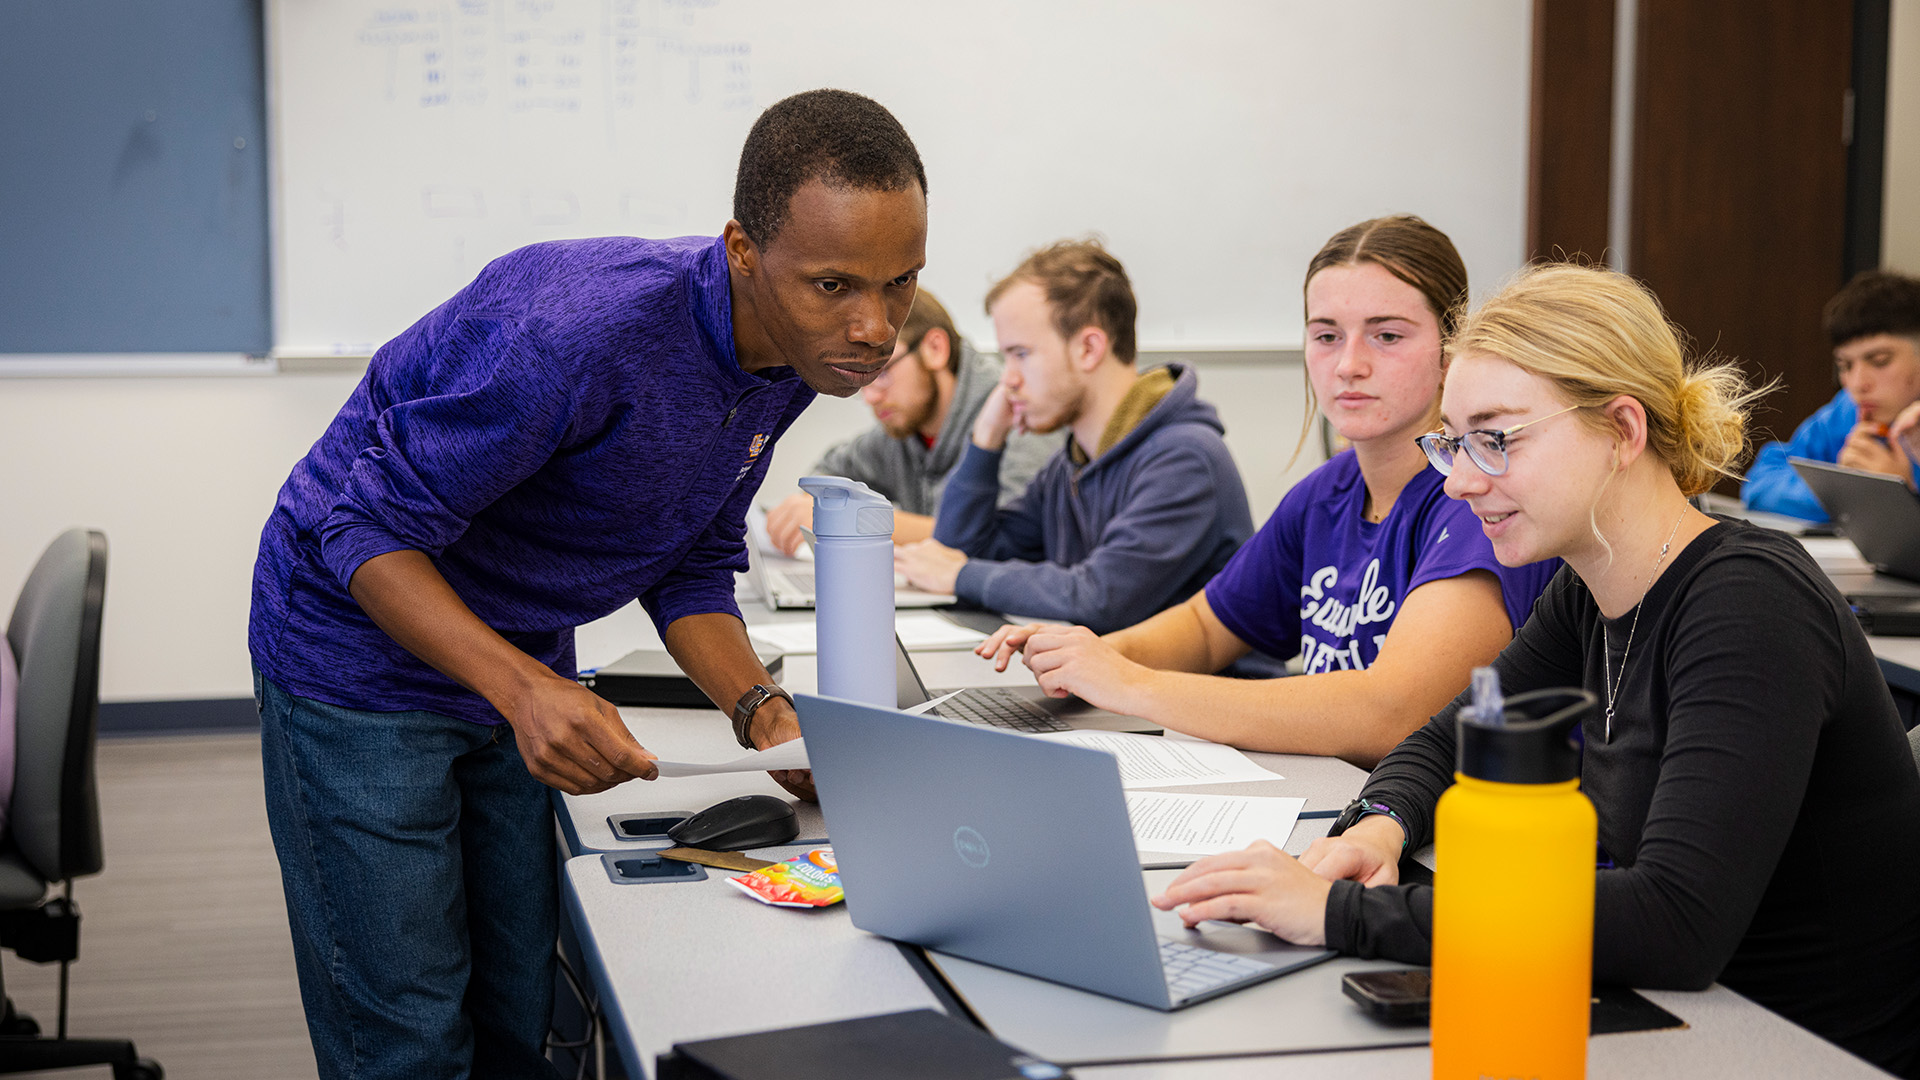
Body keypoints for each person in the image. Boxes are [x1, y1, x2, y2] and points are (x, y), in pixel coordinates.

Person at [247, 89, 927, 1077]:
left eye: (900, 282)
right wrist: (523, 688)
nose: (875, 326)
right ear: (744, 251)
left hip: (518, 647)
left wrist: (764, 712)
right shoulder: (575, 333)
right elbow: (361, 529)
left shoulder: (794, 354)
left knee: (523, 1010)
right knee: (410, 1037)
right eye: (835, 286)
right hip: (358, 656)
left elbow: (691, 555)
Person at [1155, 264, 1920, 1078]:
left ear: (1623, 430)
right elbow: (1443, 740)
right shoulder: (1588, 589)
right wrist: (1382, 821)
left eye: (1497, 438)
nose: (1458, 479)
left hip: (1797, 1051)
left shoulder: (1749, 605)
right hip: (1679, 1025)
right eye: (1451, 440)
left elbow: (1676, 923)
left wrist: (1345, 912)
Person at [975, 217, 1559, 766]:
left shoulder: (1477, 499)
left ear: (1449, 350)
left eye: (1386, 336)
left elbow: (1393, 713)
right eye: (1326, 335)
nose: (1349, 364)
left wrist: (1132, 684)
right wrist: (1088, 656)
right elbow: (1207, 628)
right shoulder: (1324, 494)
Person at [892, 239, 1252, 632]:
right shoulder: (1072, 466)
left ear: (1088, 348)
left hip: (1203, 690)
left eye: (1021, 354)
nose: (1008, 379)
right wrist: (985, 438)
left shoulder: (1185, 459)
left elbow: (1100, 598)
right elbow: (959, 551)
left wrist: (961, 575)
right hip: (1110, 685)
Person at [760, 289, 1053, 554]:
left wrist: (853, 519)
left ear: (935, 349)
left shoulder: (1018, 413)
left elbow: (1002, 539)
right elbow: (832, 472)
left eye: (881, 372)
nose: (871, 396)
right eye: (862, 379)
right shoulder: (901, 430)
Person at [1741, 269, 1920, 520]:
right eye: (1845, 366)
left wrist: (1900, 496)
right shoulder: (1846, 411)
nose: (1857, 383)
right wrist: (1843, 490)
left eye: (1880, 361)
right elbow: (1759, 485)